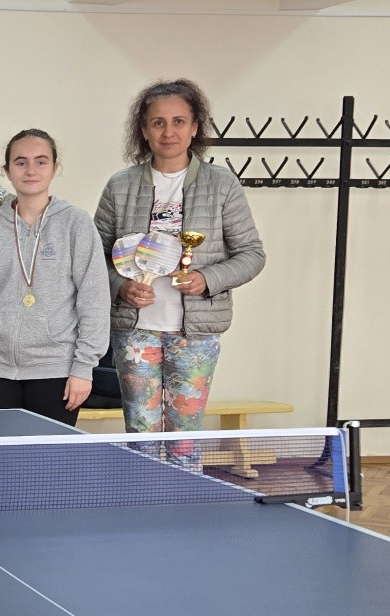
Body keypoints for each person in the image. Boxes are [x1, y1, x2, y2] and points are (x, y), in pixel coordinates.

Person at [94, 79, 266, 457]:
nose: (168, 132)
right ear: (143, 130)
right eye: (158, 122)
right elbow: (93, 260)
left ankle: (183, 494)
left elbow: (252, 254)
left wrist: (206, 279)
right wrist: (120, 286)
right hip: (134, 331)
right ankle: (143, 494)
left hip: (196, 335)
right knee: (140, 433)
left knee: (184, 438)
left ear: (194, 128)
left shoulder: (222, 184)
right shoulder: (119, 186)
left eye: (178, 121)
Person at [0, 130, 106, 425]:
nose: (30, 170)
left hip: (55, 368)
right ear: (6, 170)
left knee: (48, 454)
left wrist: (83, 367)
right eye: (21, 162)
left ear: (55, 168)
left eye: (41, 162)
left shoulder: (75, 223)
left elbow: (94, 299)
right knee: (0, 453)